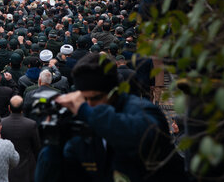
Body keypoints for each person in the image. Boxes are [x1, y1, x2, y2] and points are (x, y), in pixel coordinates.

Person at [37, 53, 187, 182]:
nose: (90, 105)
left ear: (114, 92)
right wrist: (52, 144)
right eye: (84, 99)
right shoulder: (84, 124)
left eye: (94, 99)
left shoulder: (141, 110)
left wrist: (84, 109)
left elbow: (141, 136)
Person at [1, 96, 41, 182]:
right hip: (26, 168)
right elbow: (37, 147)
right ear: (23, 108)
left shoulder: (2, 123)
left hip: (7, 169)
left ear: (9, 108)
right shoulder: (31, 124)